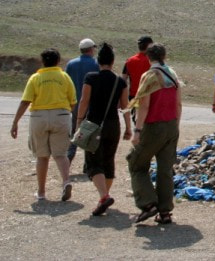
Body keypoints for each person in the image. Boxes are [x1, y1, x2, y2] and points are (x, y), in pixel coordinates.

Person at [10, 48, 76, 201]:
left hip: (39, 117)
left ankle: (41, 192)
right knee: (60, 154)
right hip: (61, 115)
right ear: (58, 61)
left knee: (42, 156)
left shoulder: (36, 78)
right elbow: (73, 101)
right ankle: (66, 181)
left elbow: (25, 101)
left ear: (42, 61)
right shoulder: (64, 77)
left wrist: (15, 122)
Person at [127, 43, 183, 224]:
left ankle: (148, 203)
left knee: (136, 163)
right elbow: (178, 103)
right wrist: (175, 126)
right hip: (171, 125)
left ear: (148, 57)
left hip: (153, 126)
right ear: (164, 56)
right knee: (165, 169)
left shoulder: (150, 76)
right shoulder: (172, 74)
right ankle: (165, 211)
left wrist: (137, 130)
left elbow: (144, 105)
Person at [75, 43, 132, 216]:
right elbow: (125, 106)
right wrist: (128, 127)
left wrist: (79, 121)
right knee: (108, 161)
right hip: (113, 125)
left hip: (93, 124)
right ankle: (103, 198)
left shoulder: (91, 77)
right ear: (113, 62)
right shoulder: (120, 81)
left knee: (93, 162)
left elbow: (84, 101)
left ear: (98, 61)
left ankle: (104, 196)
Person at [65, 38, 99, 163]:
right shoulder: (96, 64)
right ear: (91, 49)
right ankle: (88, 163)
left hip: (75, 104)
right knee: (91, 133)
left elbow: (66, 84)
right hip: (92, 105)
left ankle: (69, 158)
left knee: (75, 131)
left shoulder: (71, 64)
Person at [122, 35, 154, 107]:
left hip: (133, 96)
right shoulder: (152, 61)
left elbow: (123, 79)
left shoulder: (129, 61)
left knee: (135, 114)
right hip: (149, 97)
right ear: (149, 46)